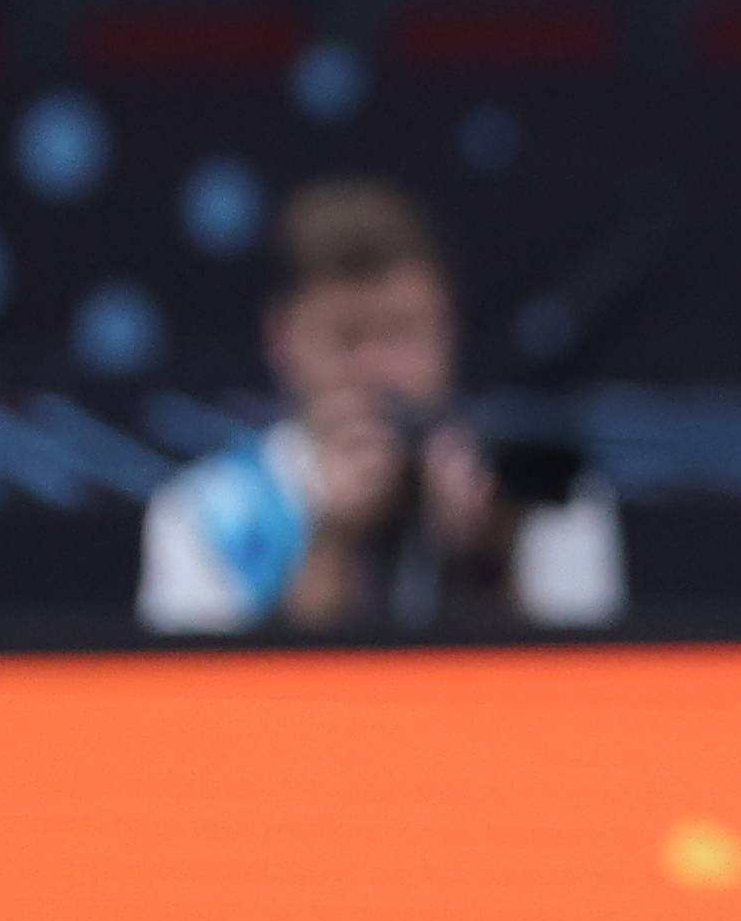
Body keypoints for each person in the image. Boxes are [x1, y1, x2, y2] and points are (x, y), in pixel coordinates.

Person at [140, 178, 624, 634]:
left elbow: (582, 705)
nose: (377, 371)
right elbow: (212, 714)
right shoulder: (201, 514)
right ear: (282, 340)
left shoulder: (549, 498)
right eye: (347, 339)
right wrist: (331, 544)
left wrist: (483, 563)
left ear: (447, 328)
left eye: (401, 332)